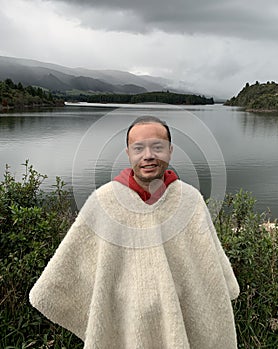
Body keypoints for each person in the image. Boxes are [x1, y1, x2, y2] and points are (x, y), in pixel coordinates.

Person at [30, 115, 240, 349]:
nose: (148, 155)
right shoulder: (104, 202)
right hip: (125, 322)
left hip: (180, 316)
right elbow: (68, 270)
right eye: (138, 148)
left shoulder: (190, 200)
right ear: (128, 153)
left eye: (157, 147)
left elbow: (210, 272)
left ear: (170, 151)